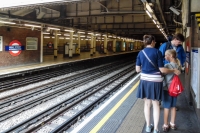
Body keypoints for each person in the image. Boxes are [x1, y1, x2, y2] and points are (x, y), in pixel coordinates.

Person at [136, 35, 180, 133]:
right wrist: (173, 70)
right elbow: (162, 69)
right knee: (156, 104)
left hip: (144, 80)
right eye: (154, 42)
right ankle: (156, 129)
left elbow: (137, 69)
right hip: (156, 81)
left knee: (147, 104)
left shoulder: (141, 53)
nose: (155, 43)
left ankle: (148, 126)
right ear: (152, 42)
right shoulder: (157, 52)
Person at [159, 33, 186, 111]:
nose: (180, 43)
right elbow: (159, 57)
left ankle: (172, 104)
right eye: (179, 42)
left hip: (174, 69)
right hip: (165, 68)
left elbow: (183, 56)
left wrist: (183, 65)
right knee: (163, 84)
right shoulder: (165, 45)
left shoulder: (180, 47)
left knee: (172, 85)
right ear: (175, 39)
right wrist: (161, 68)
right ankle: (160, 101)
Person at [162, 49, 182, 132]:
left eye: (166, 55)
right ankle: (172, 123)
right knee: (173, 107)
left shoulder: (167, 66)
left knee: (166, 107)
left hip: (167, 89)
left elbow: (162, 72)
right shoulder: (178, 65)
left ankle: (166, 125)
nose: (165, 57)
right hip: (175, 89)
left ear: (170, 56)